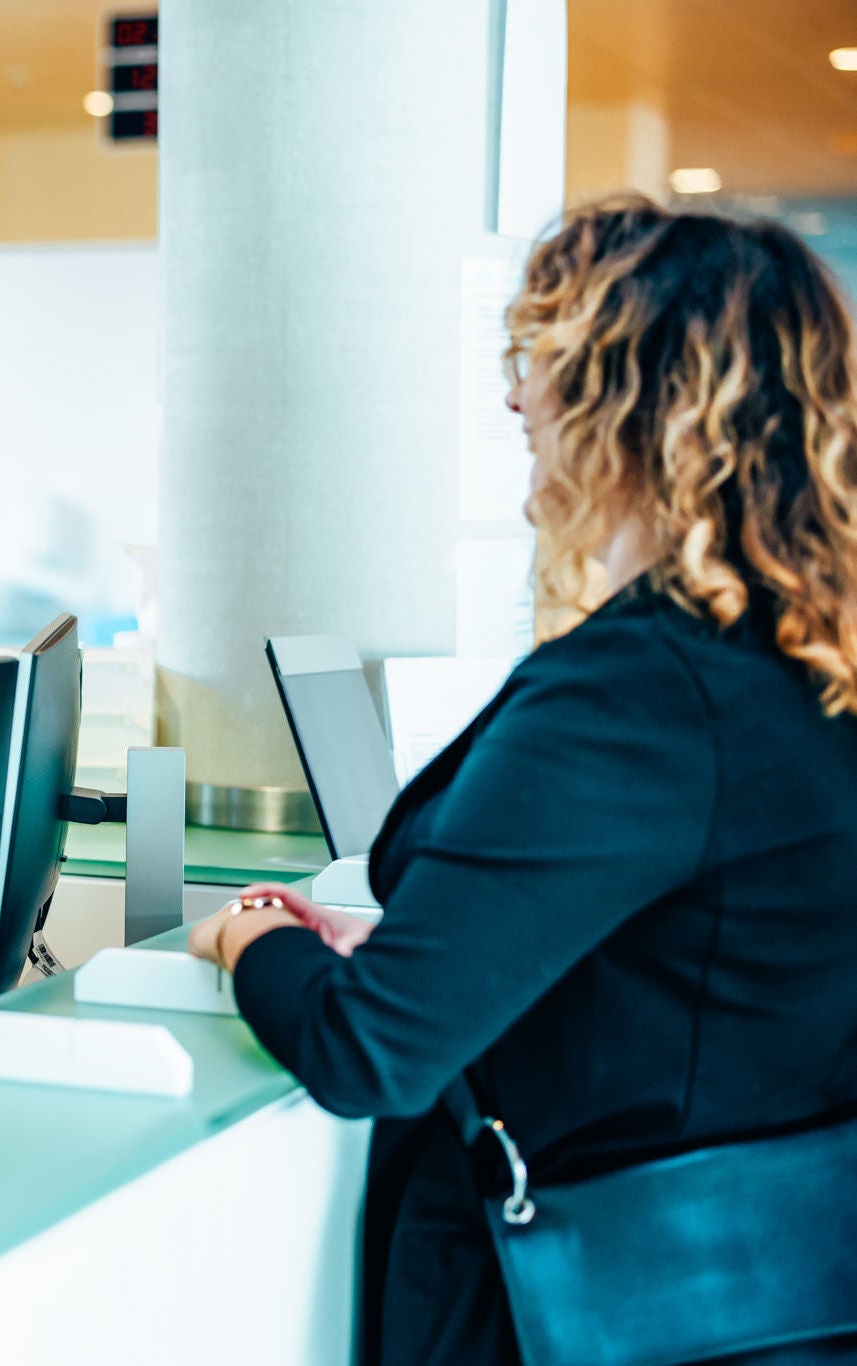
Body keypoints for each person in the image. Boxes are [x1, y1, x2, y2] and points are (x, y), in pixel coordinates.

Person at [189, 196, 857, 1364]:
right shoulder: (805, 655)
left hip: (600, 1299)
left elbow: (367, 1052)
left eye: (540, 363)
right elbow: (708, 952)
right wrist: (443, 945)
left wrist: (247, 937)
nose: (513, 401)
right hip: (780, 1293)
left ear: (631, 403)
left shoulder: (640, 691)